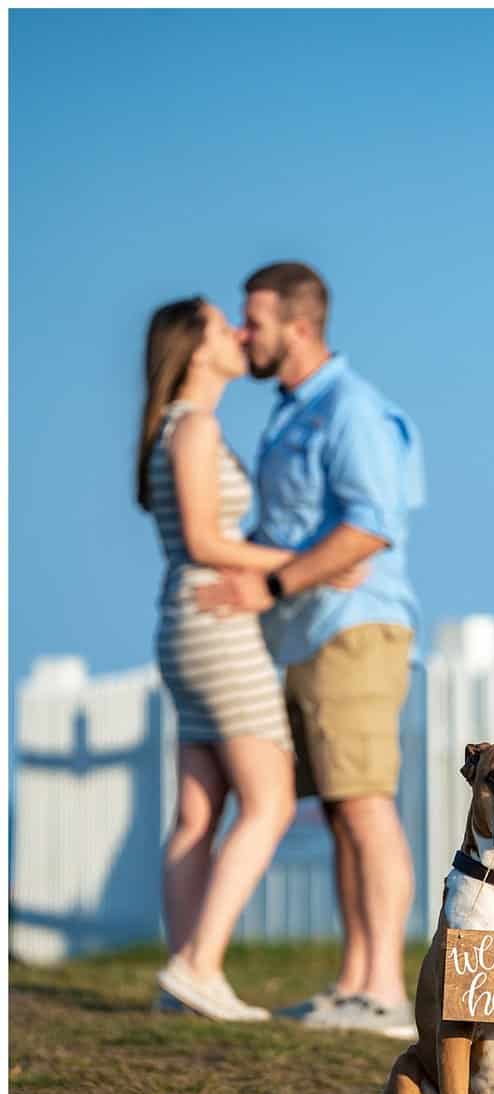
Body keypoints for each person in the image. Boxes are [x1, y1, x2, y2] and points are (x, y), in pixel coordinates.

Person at [197, 261, 426, 1039]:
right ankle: (355, 983)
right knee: (339, 808)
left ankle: (387, 991)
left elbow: (372, 525)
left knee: (365, 804)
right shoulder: (297, 411)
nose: (242, 333)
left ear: (298, 326)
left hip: (351, 627)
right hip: (311, 629)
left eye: (253, 320)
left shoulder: (352, 410)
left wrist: (272, 584)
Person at [138, 297, 325, 1021]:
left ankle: (183, 979)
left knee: (197, 809)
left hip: (184, 620)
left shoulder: (173, 428)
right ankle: (198, 964)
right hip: (214, 622)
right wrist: (308, 563)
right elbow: (205, 540)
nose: (240, 335)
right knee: (271, 799)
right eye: (224, 327)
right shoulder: (195, 426)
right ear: (192, 350)